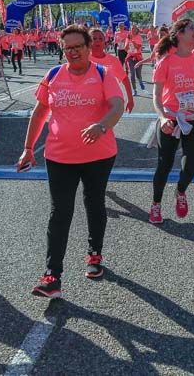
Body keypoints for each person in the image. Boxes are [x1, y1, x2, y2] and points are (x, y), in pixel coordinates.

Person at [17, 25, 125, 298]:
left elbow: (117, 105)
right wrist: (28, 148)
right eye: (68, 48)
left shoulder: (103, 74)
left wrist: (101, 126)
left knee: (94, 202)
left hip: (98, 155)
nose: (73, 52)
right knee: (60, 213)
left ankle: (94, 255)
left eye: (78, 46)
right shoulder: (53, 75)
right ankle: (52, 275)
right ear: (63, 50)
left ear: (89, 48)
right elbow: (40, 111)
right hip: (59, 156)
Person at [150, 19, 194, 224]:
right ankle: (156, 204)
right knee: (164, 164)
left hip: (193, 118)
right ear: (180, 34)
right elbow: (156, 96)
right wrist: (163, 117)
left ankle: (180, 191)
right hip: (171, 118)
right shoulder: (166, 61)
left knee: (191, 165)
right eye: (192, 29)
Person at [89, 27, 134, 114]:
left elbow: (125, 79)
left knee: (104, 127)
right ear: (88, 42)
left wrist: (130, 99)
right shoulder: (84, 59)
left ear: (105, 43)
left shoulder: (113, 60)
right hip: (89, 102)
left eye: (100, 39)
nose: (97, 41)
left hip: (108, 103)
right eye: (94, 39)